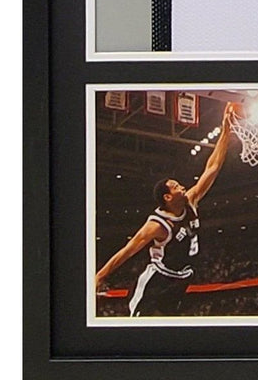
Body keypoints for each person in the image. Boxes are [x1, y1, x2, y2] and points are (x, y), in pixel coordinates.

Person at [95, 101, 236, 316]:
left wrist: (225, 130)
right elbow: (127, 251)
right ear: (167, 197)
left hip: (182, 279)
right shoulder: (157, 225)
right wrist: (100, 276)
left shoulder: (191, 200)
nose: (183, 186)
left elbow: (213, 167)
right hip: (157, 280)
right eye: (176, 186)